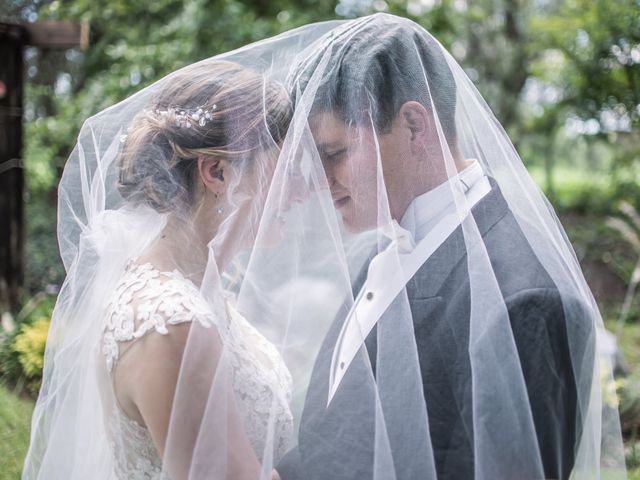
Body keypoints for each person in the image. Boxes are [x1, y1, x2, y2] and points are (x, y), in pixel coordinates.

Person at [275, 13, 625, 480]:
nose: (319, 182)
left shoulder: (526, 302)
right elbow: (338, 439)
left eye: (333, 153)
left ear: (415, 127)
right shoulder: (382, 253)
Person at [23, 59, 294, 479]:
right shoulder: (171, 323)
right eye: (284, 170)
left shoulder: (194, 293)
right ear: (217, 171)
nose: (298, 189)